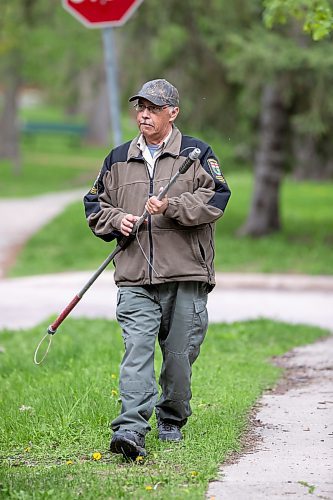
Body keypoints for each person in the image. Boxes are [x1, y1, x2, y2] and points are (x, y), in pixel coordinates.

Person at [84, 79, 231, 460]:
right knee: (136, 351)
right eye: (140, 108)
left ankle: (172, 419)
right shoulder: (117, 158)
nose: (144, 114)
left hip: (186, 274)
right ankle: (131, 429)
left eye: (153, 108)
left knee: (180, 356)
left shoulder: (196, 153)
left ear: (173, 112)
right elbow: (94, 205)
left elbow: (217, 198)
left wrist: (172, 207)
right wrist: (118, 221)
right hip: (135, 277)